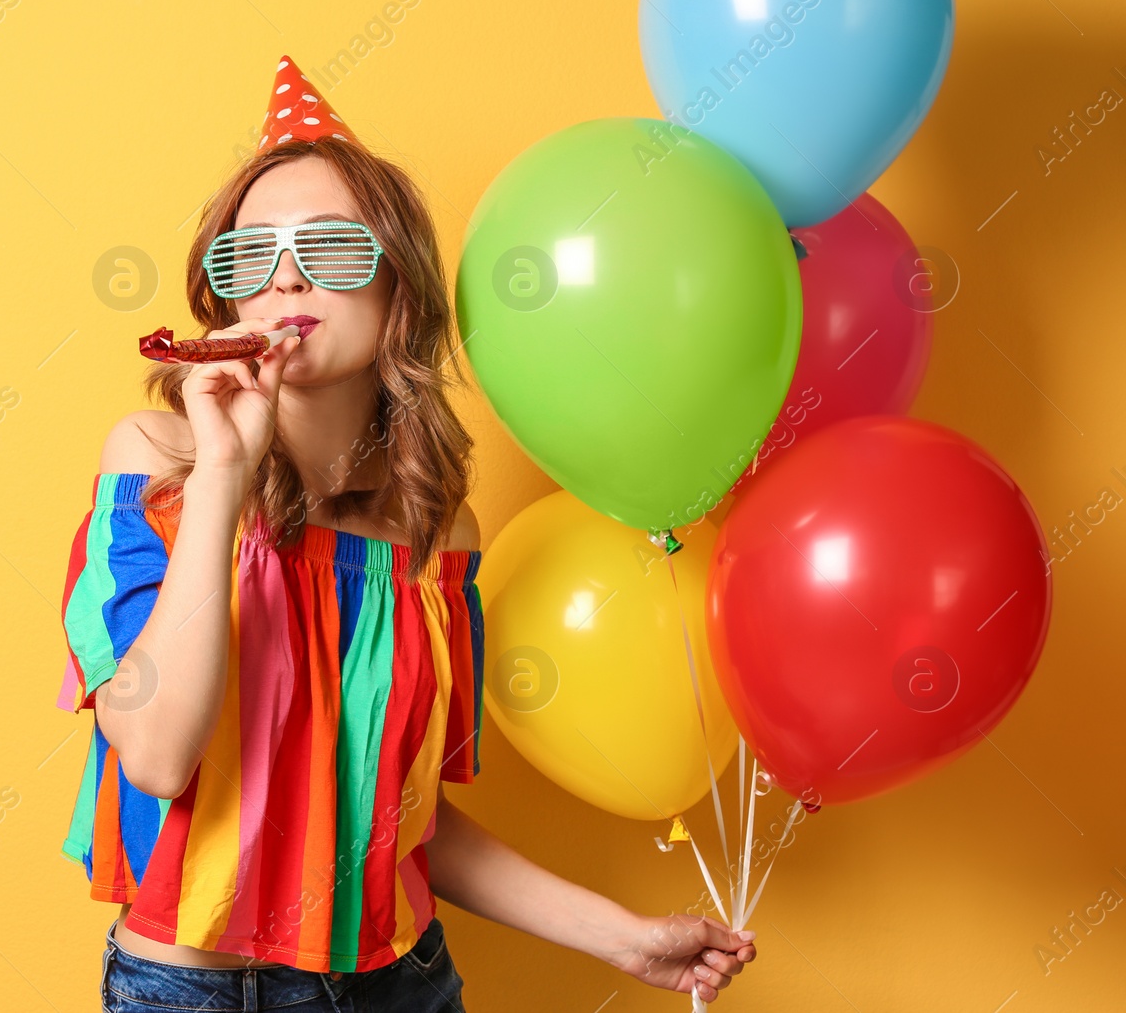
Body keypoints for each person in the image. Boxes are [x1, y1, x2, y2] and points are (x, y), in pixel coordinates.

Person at [58, 55, 757, 1013]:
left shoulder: (438, 537)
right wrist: (225, 475)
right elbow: (157, 755)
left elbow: (400, 817)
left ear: (400, 295)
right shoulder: (160, 465)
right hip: (199, 994)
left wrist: (627, 940)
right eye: (247, 256)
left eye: (333, 251)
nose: (287, 276)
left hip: (404, 986)